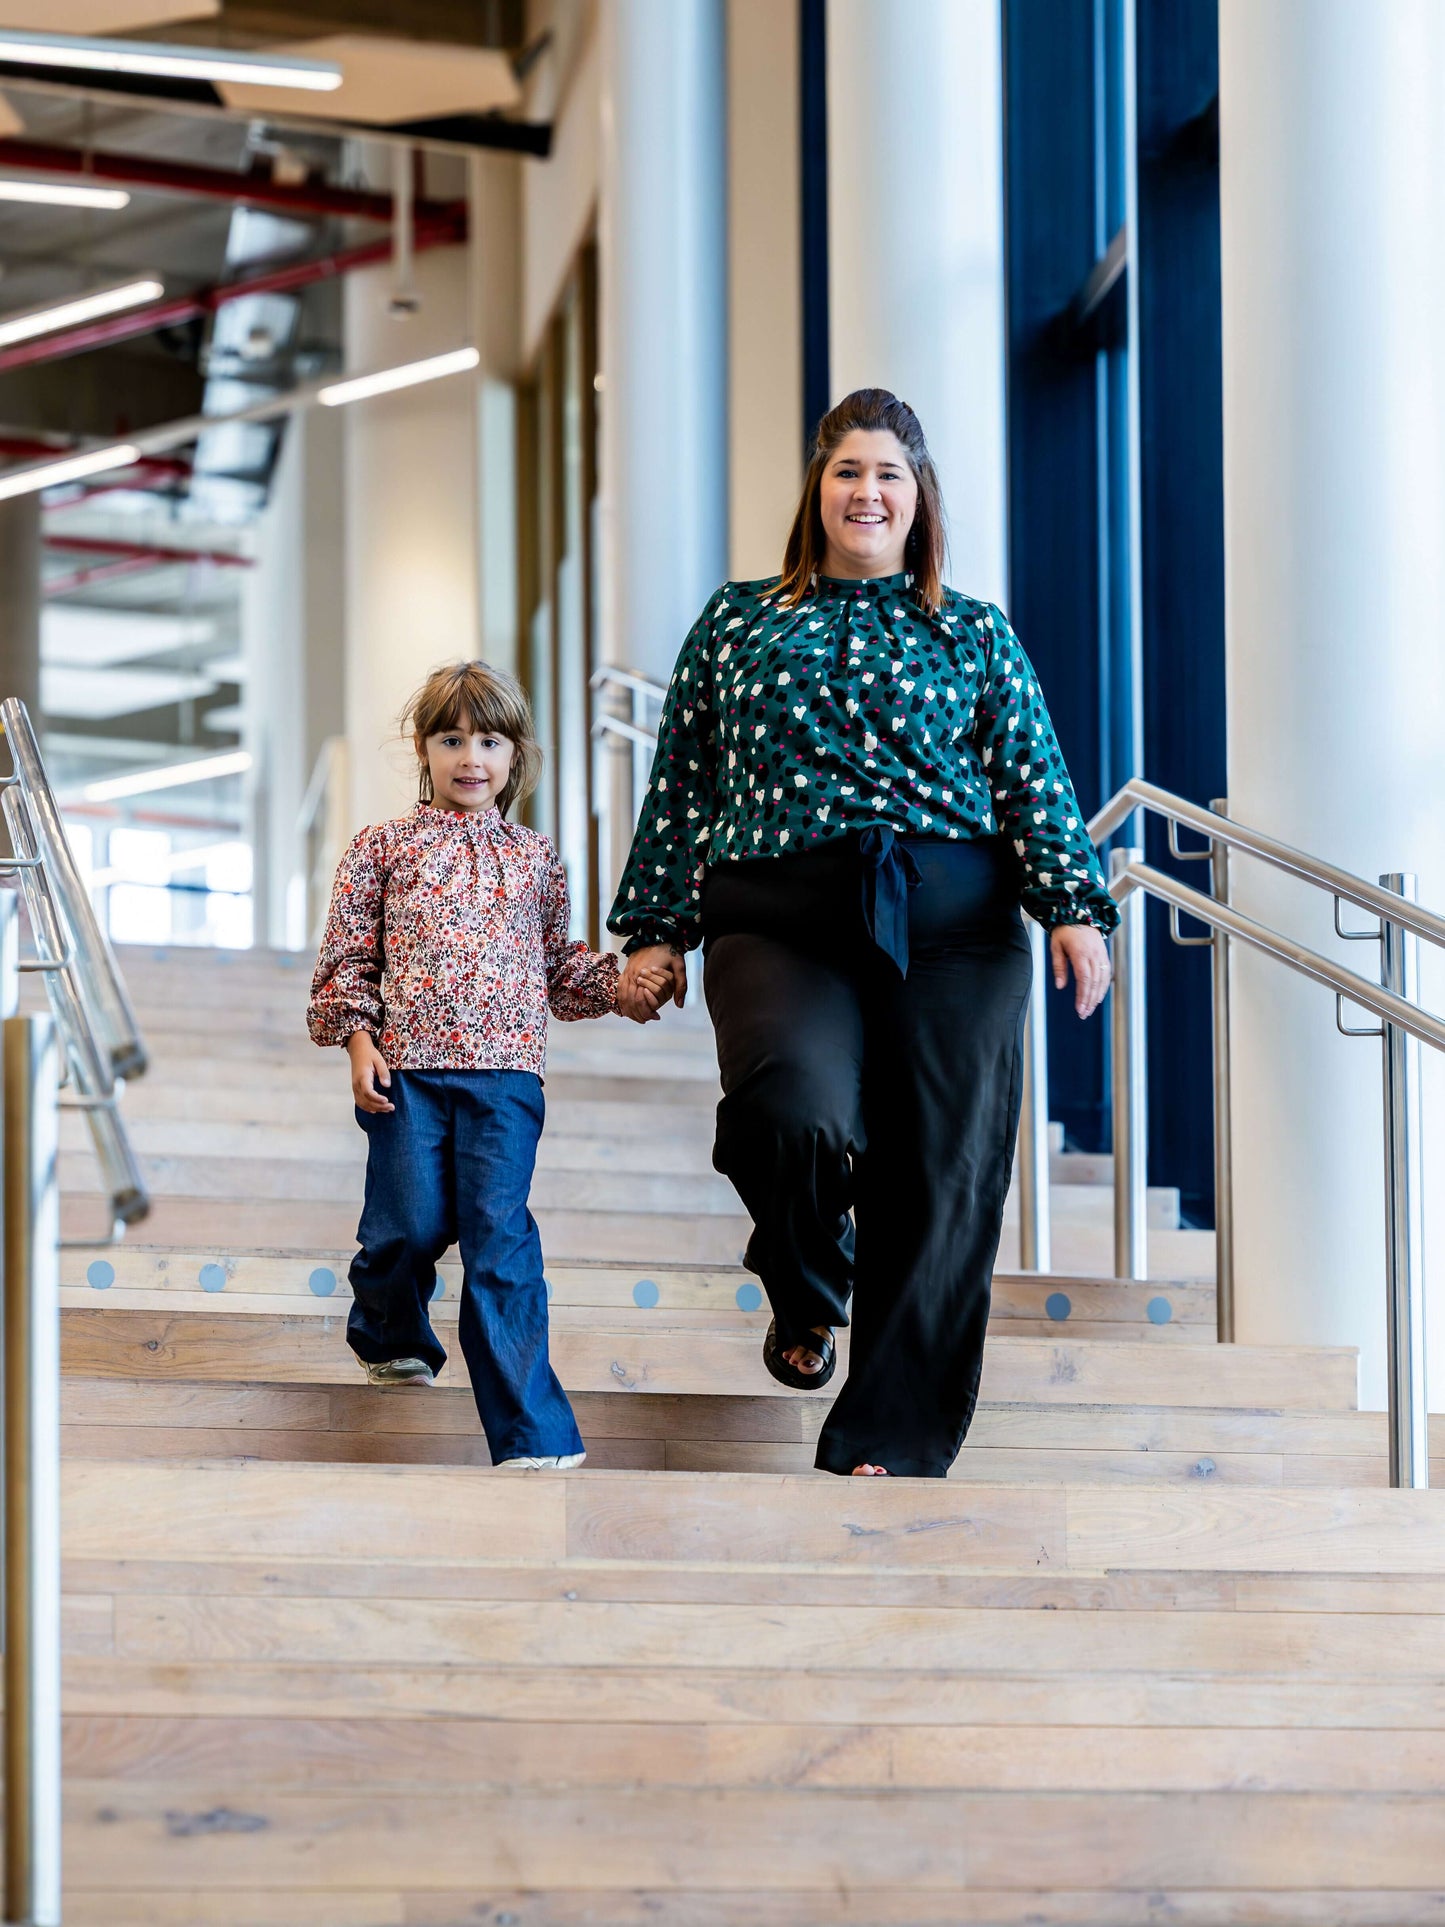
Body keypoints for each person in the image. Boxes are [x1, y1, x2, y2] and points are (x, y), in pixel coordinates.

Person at [609, 388, 1117, 1480]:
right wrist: (655, 928)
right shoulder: (737, 619)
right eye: (847, 471)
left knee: (940, 1172)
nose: (867, 491)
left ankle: (886, 1433)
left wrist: (1071, 906)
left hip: (956, 933)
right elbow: (683, 783)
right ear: (817, 489)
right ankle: (805, 1280)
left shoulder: (971, 630)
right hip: (777, 919)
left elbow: (1030, 777)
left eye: (888, 473)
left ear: (918, 495)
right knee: (786, 1114)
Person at [308, 661, 668, 1469]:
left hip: (506, 1080)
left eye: (489, 740)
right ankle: (389, 1331)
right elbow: (345, 964)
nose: (470, 756)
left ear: (515, 756)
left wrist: (625, 986)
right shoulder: (381, 848)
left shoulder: (535, 858)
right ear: (423, 749)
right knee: (407, 1223)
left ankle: (531, 1434)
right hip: (409, 1074)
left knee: (499, 1244)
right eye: (451, 739)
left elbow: (559, 966)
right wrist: (359, 1041)